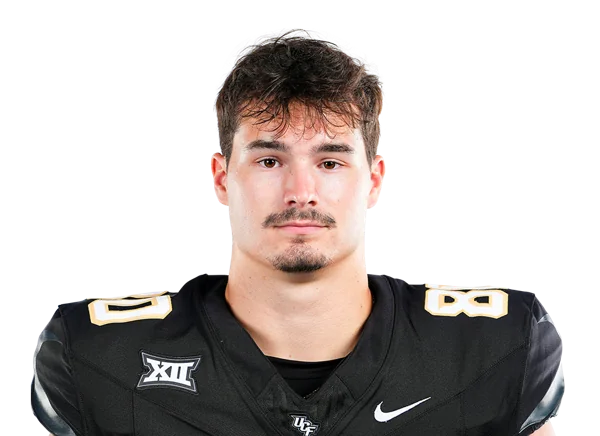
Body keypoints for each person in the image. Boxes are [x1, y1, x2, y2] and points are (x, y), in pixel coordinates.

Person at [31, 27, 564, 435]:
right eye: (269, 160)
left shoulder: (493, 348)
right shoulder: (100, 357)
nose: (300, 191)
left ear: (374, 180)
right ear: (221, 177)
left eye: (330, 162)